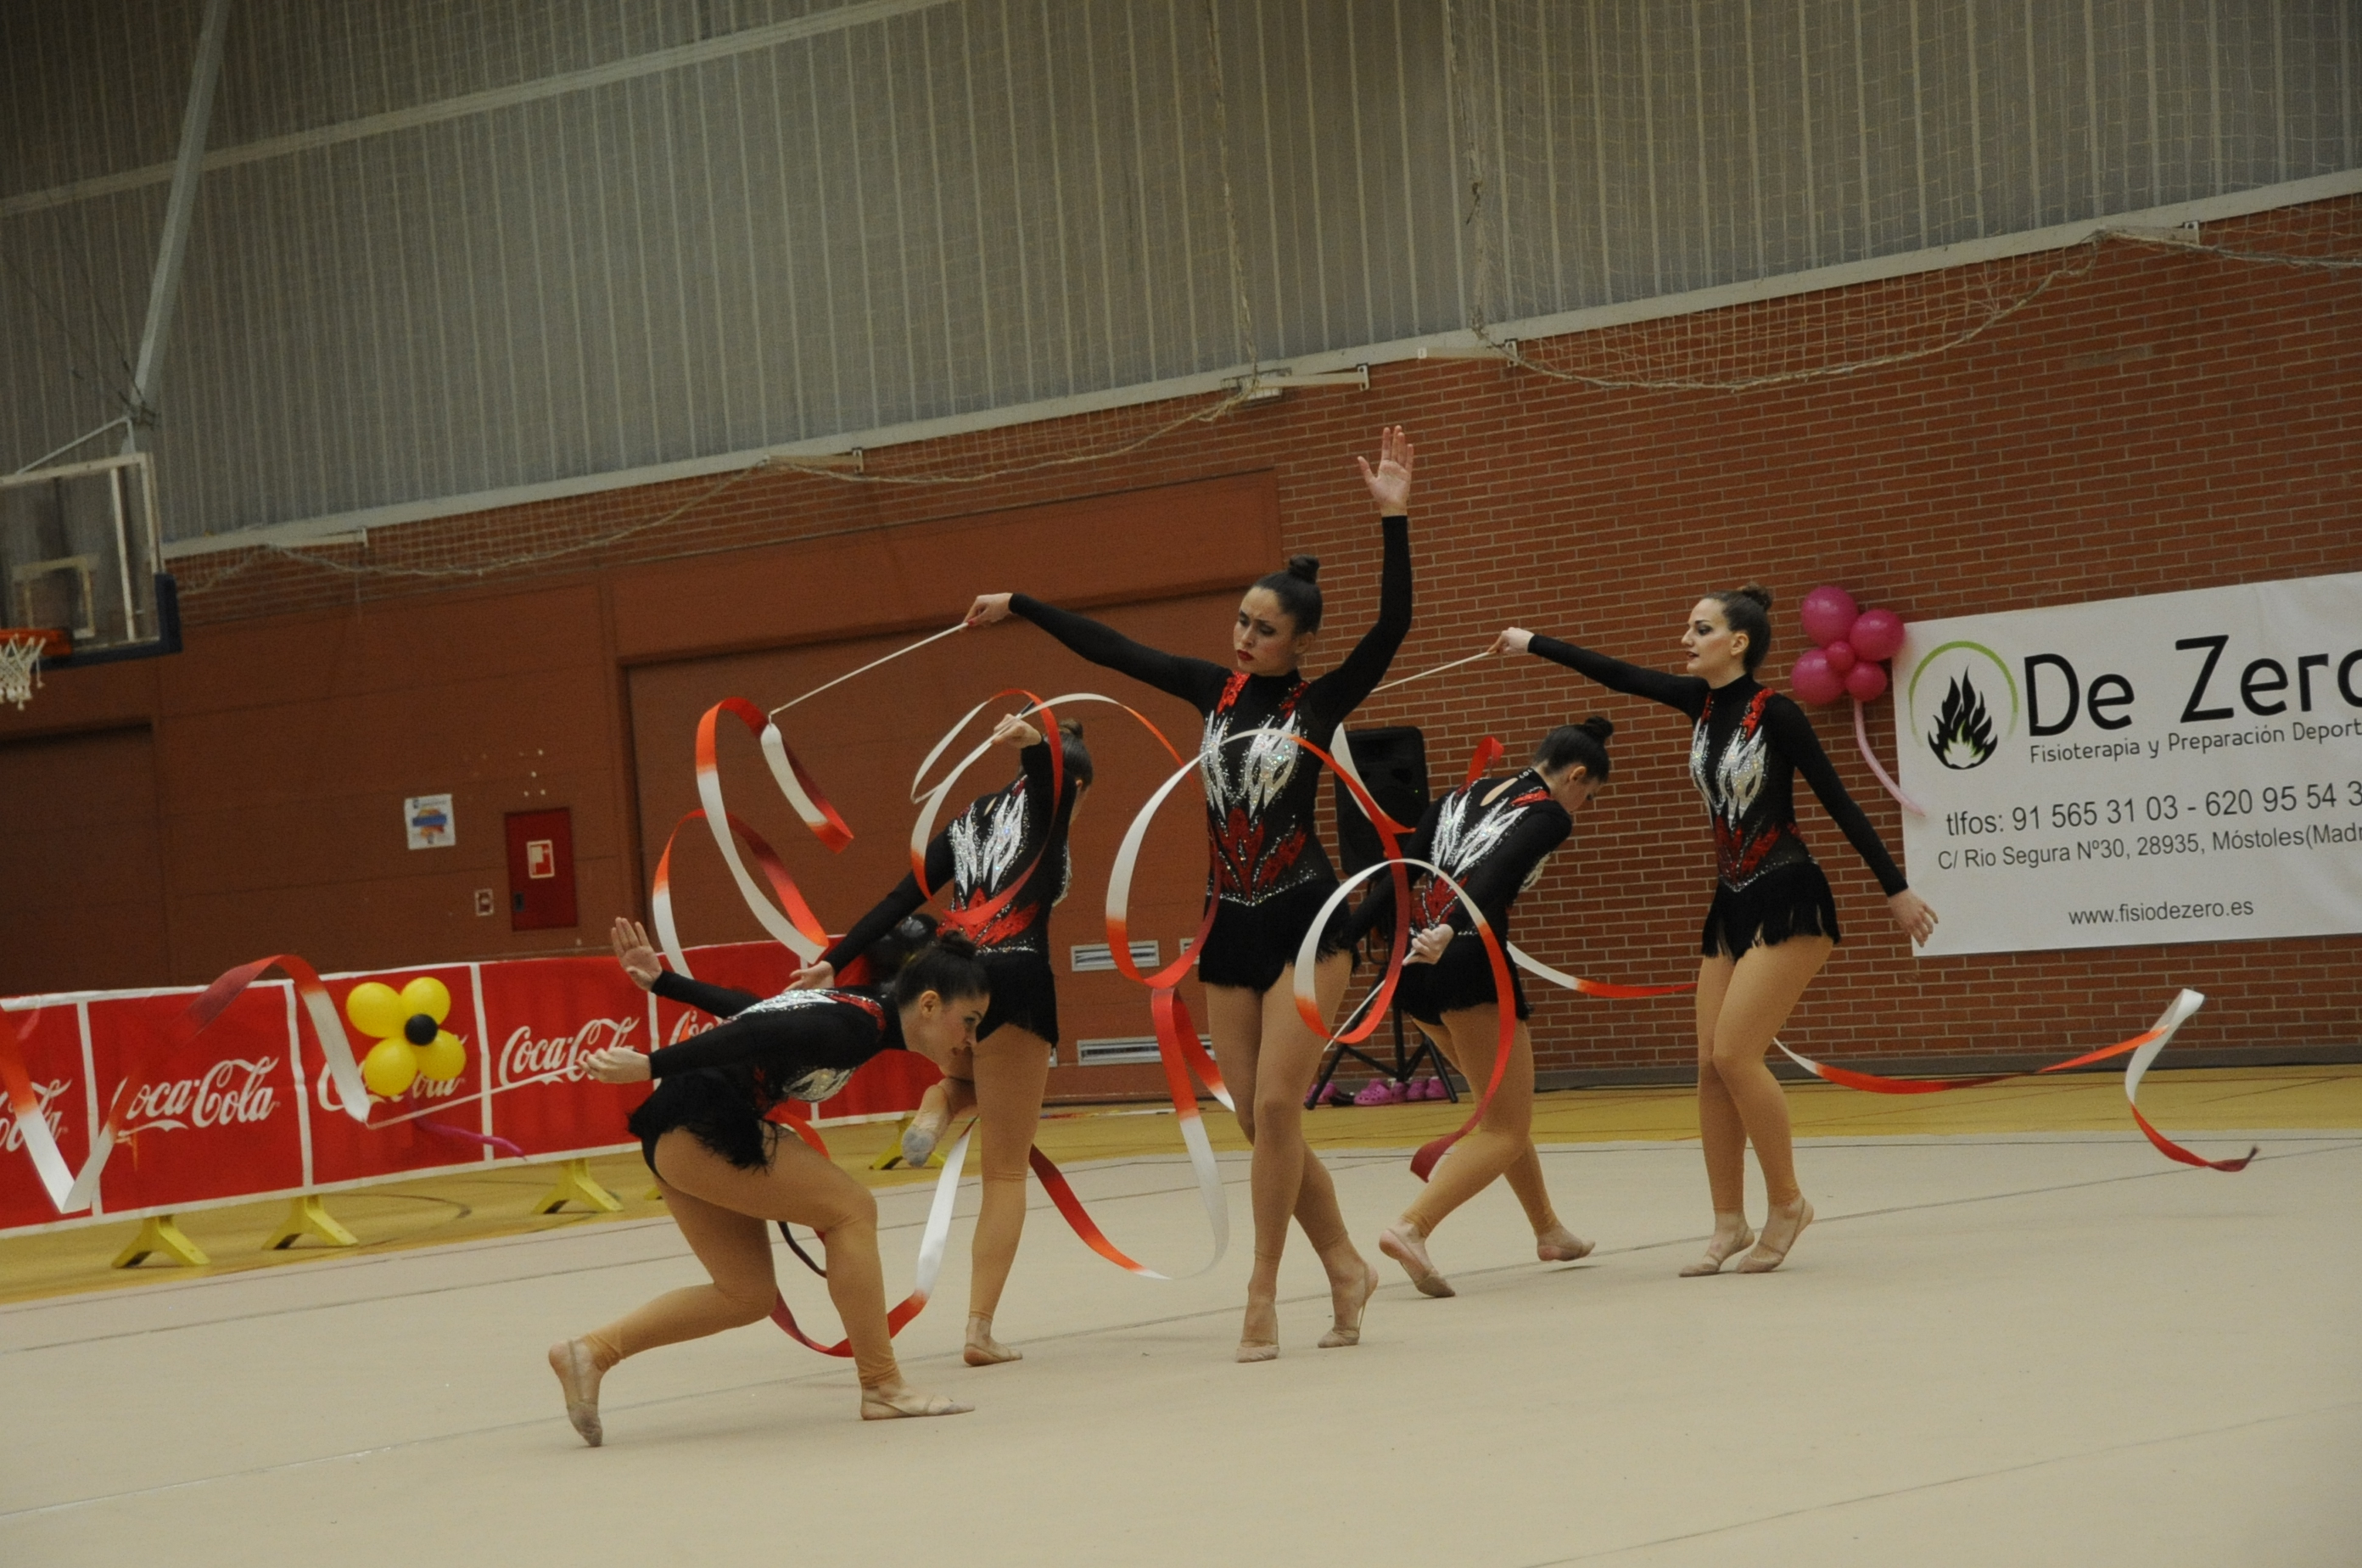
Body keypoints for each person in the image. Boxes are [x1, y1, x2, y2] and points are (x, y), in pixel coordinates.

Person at [965, 427, 1416, 1360]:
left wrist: (1394, 520)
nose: (1244, 637)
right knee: (1255, 1118)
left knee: (1281, 1111)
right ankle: (1344, 1264)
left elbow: (1393, 628)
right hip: (1229, 926)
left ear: (1299, 642)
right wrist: (1022, 603)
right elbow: (1112, 649)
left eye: (1264, 629)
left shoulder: (1318, 703)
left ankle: (1263, 1290)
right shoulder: (1212, 691)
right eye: (1242, 620)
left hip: (1306, 919)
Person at [1492, 589, 1938, 1274]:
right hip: (1731, 903)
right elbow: (1618, 674)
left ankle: (1787, 1202)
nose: (1686, 639)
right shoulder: (1698, 704)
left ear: (1738, 642)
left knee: (1735, 1054)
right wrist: (1532, 642)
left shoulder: (1778, 713)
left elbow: (1838, 800)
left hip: (1788, 894)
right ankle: (1728, 1221)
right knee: (1708, 1065)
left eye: (1701, 629)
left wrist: (1896, 889)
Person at [547, 930, 991, 1442]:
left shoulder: (864, 1008)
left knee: (745, 1295)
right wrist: (651, 1064)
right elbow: (756, 1032)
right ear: (929, 1006)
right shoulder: (852, 1026)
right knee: (852, 1210)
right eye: (970, 1022)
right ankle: (882, 1384)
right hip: (704, 1128)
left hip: (680, 1134)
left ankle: (591, 1353)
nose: (970, 1040)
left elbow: (754, 1010)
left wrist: (666, 982)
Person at [786, 711, 1089, 1368]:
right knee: (1004, 1170)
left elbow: (901, 896)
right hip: (1015, 972)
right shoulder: (1054, 801)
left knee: (967, 1081)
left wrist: (836, 961)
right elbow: (1052, 783)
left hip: (952, 974)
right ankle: (979, 1329)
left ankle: (936, 1107)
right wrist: (1038, 746)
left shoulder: (968, 819)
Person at [1344, 720, 1613, 1296]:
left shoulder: (1456, 796)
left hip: (1414, 968)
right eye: (1587, 796)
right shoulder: (1549, 814)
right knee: (1507, 1128)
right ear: (1576, 776)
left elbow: (1400, 874)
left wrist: (1344, 935)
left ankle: (1548, 1230)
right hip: (1466, 963)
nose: (1582, 808)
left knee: (1500, 1114)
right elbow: (1499, 872)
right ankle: (1412, 1227)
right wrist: (1452, 927)